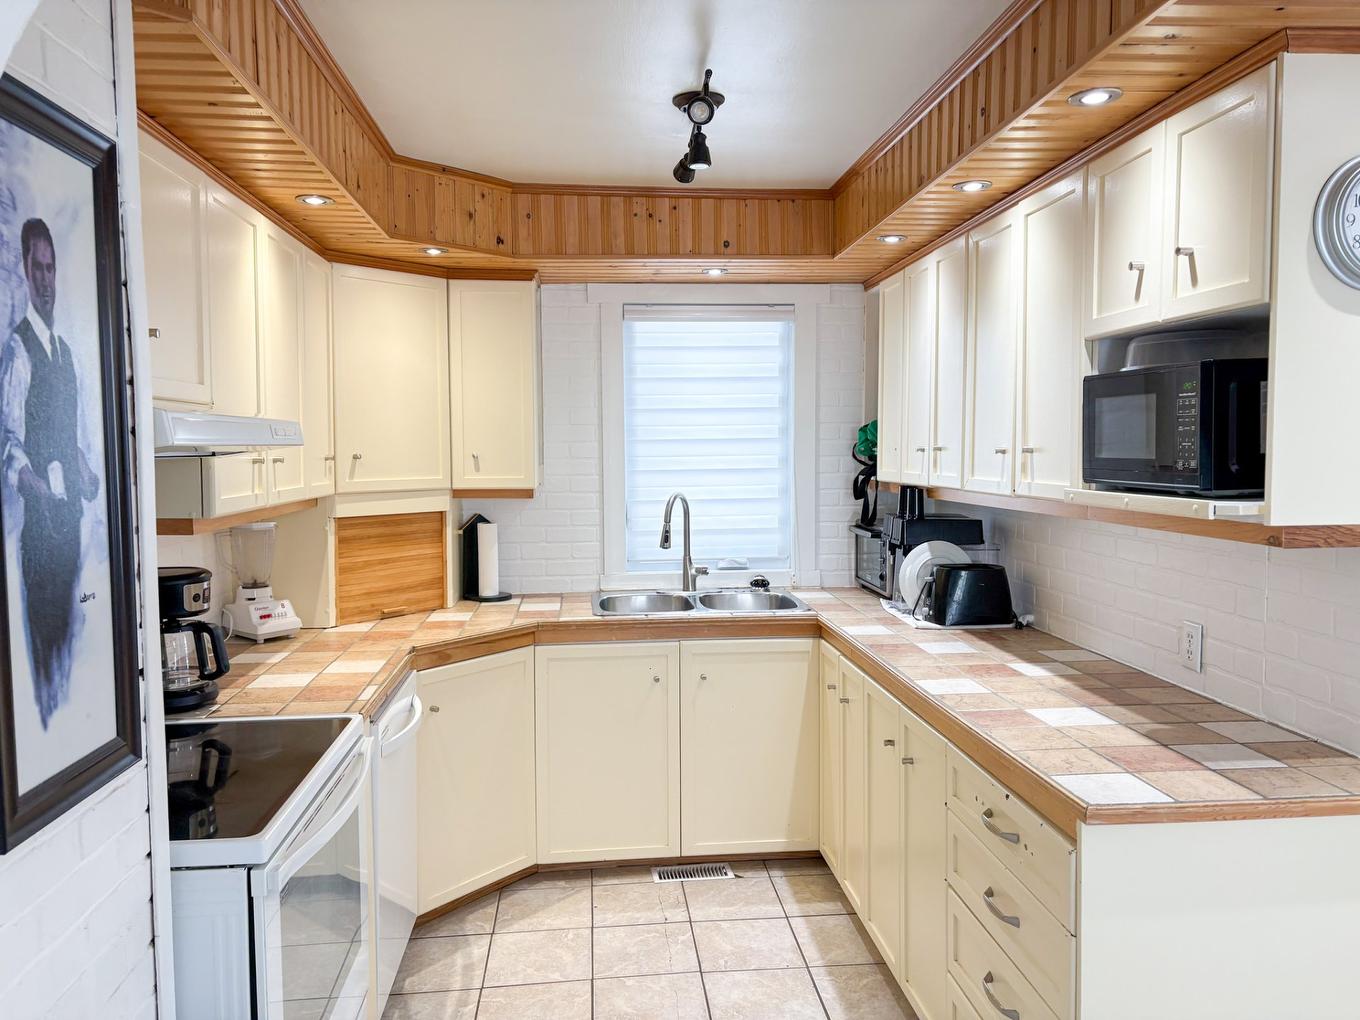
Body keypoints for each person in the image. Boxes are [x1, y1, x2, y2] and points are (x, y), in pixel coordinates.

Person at [0, 218, 99, 728]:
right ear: (24, 269)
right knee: (45, 649)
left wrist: (86, 473)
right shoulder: (19, 350)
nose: (45, 278)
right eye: (37, 267)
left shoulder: (68, 354)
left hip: (70, 531)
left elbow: (76, 439)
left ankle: (63, 720)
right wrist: (38, 487)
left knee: (68, 643)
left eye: (51, 267)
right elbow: (10, 448)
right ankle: (51, 727)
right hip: (40, 535)